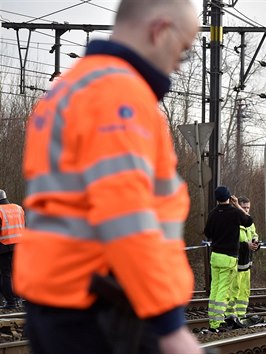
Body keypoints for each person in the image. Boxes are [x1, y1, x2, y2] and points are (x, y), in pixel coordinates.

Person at [14, 0, 202, 353]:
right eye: (184, 49)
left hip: (60, 298)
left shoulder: (70, 88)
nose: (180, 62)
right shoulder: (119, 95)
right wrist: (169, 324)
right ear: (160, 31)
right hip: (105, 304)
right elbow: (125, 212)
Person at [204, 187, 253, 332]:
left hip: (215, 256)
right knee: (223, 290)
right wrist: (237, 205)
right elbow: (249, 221)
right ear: (229, 198)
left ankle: (212, 320)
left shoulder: (213, 214)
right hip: (229, 257)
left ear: (217, 198)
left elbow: (207, 233)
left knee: (214, 288)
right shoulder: (234, 212)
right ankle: (218, 322)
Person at [225, 196, 259, 321]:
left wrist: (256, 243)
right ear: (237, 206)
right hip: (235, 262)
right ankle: (231, 315)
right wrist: (246, 245)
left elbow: (254, 234)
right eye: (243, 207)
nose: (246, 210)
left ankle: (241, 315)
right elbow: (229, 241)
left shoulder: (249, 222)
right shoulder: (232, 220)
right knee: (233, 290)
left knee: (244, 291)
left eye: (248, 208)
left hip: (247, 262)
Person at [0, 189, 24, 309]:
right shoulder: (18, 208)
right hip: (21, 245)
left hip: (5, 245)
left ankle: (11, 302)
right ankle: (18, 299)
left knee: (6, 274)